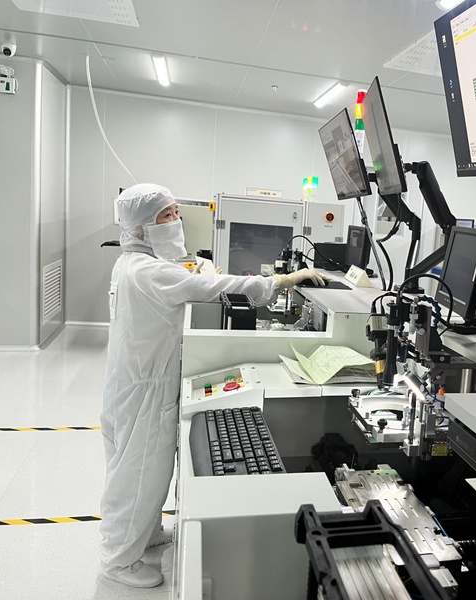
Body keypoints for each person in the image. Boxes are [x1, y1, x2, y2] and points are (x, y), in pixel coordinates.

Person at [99, 183, 327, 587]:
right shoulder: (151, 272)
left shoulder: (132, 263)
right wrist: (284, 280)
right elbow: (216, 288)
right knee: (138, 474)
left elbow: (184, 277)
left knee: (143, 471)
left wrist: (198, 269)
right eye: (166, 215)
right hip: (144, 389)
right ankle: (118, 560)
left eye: (176, 212)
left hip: (129, 383)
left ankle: (144, 535)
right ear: (140, 228)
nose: (177, 220)